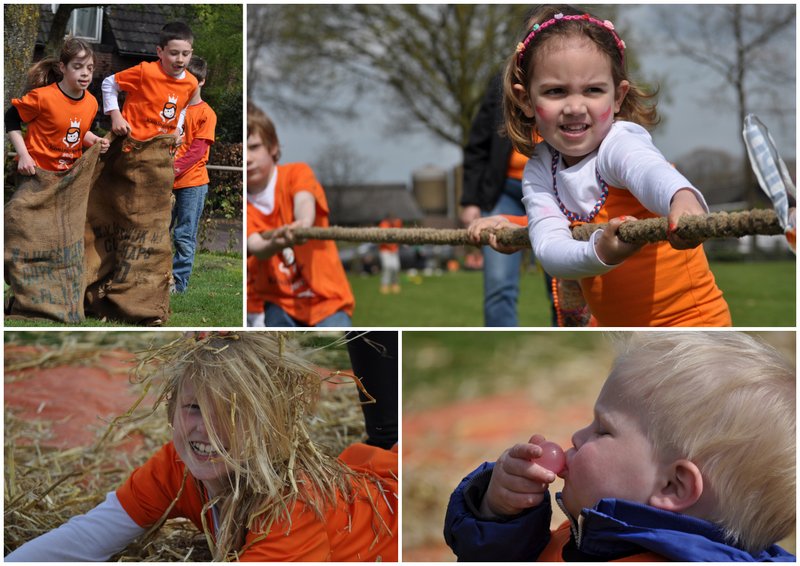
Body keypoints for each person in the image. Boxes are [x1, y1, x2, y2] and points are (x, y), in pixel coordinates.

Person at [6, 332, 398, 562]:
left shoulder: (294, 506)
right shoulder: (177, 467)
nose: (206, 429)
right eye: (193, 407)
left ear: (270, 423)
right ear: (172, 409)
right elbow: (87, 538)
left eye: (232, 412)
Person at [468, 5, 731, 327]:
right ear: (525, 100)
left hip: (690, 323)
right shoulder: (538, 167)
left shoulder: (620, 143)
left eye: (593, 90)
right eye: (556, 91)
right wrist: (516, 225)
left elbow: (650, 173)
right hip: (615, 330)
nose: (575, 107)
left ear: (618, 97)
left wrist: (682, 199)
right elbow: (552, 243)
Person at [444, 331, 795, 561]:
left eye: (603, 430)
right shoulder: (591, 536)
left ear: (673, 486)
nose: (577, 437)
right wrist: (500, 511)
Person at [246, 103, 355, 327]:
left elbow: (304, 199)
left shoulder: (297, 173)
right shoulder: (244, 205)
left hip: (328, 301)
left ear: (273, 147)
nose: (247, 158)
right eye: (242, 151)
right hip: (280, 304)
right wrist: (276, 242)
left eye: (254, 147)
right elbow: (255, 245)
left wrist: (303, 224)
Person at [462, 72, 554, 326]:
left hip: (556, 190)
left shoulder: (571, 67)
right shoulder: (501, 81)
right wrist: (470, 199)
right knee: (499, 286)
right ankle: (497, 344)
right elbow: (478, 142)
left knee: (563, 288)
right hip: (504, 189)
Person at [5, 37, 109, 174]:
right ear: (63, 67)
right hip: (35, 173)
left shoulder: (91, 103)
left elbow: (77, 133)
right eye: (77, 67)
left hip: (68, 175)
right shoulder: (42, 97)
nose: (85, 73)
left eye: (90, 68)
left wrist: (95, 140)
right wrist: (24, 156)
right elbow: (10, 118)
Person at [101, 22, 198, 140]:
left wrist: (177, 129)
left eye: (185, 54)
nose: (180, 60)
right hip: (132, 145)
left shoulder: (191, 83)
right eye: (174, 53)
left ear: (191, 53)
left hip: (161, 149)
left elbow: (182, 108)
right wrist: (116, 116)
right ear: (160, 52)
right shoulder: (145, 71)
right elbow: (109, 83)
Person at [170, 56, 217, 294]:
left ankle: (179, 284)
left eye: (193, 80)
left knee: (184, 235)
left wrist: (172, 170)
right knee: (158, 230)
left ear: (202, 82)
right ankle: (155, 279)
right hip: (165, 181)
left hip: (192, 183)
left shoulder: (206, 113)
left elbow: (197, 152)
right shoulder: (173, 109)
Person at [378, 214, 402, 294]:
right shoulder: (383, 224)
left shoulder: (397, 222)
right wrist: (392, 244)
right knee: (387, 267)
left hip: (394, 249)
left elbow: (400, 234)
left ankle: (394, 284)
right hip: (385, 250)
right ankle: (384, 285)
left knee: (396, 267)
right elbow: (384, 238)